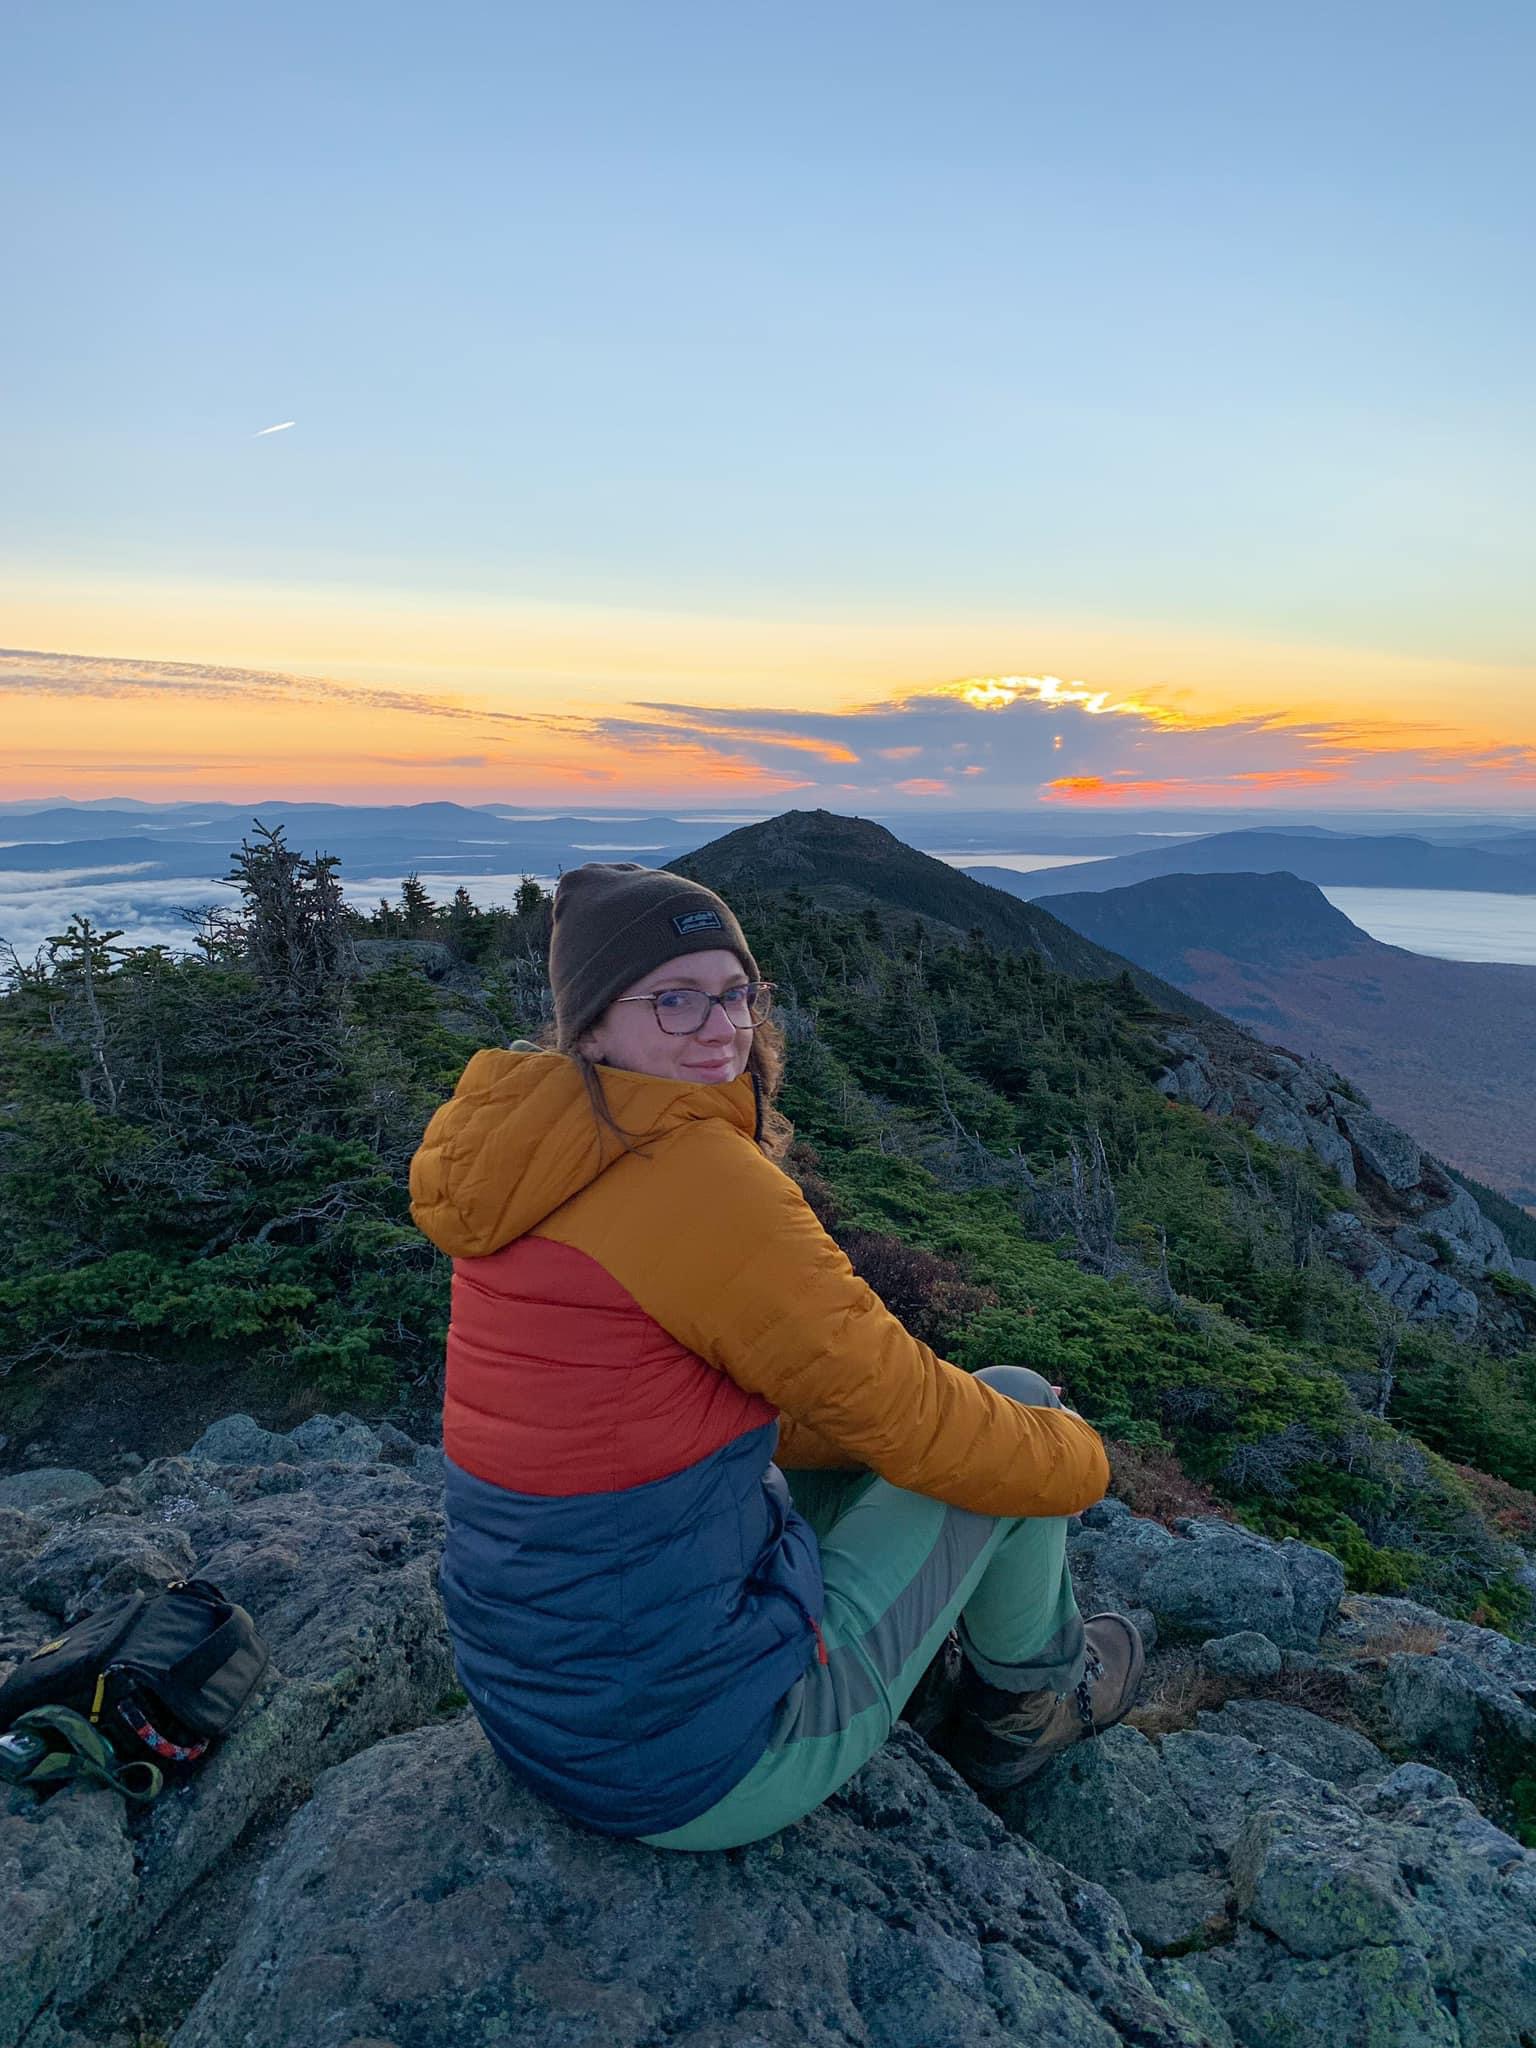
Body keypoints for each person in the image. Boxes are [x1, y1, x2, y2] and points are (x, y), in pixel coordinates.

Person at [409, 863, 1143, 1851]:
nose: (720, 1027)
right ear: (590, 1026)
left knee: (906, 1441)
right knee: (1006, 1412)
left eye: (735, 994)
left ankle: (948, 1667)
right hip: (704, 1764)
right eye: (674, 999)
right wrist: (1079, 1459)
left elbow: (733, 1403)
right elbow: (920, 1418)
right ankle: (1031, 1712)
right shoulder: (694, 1178)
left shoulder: (533, 1158)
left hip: (545, 1718)